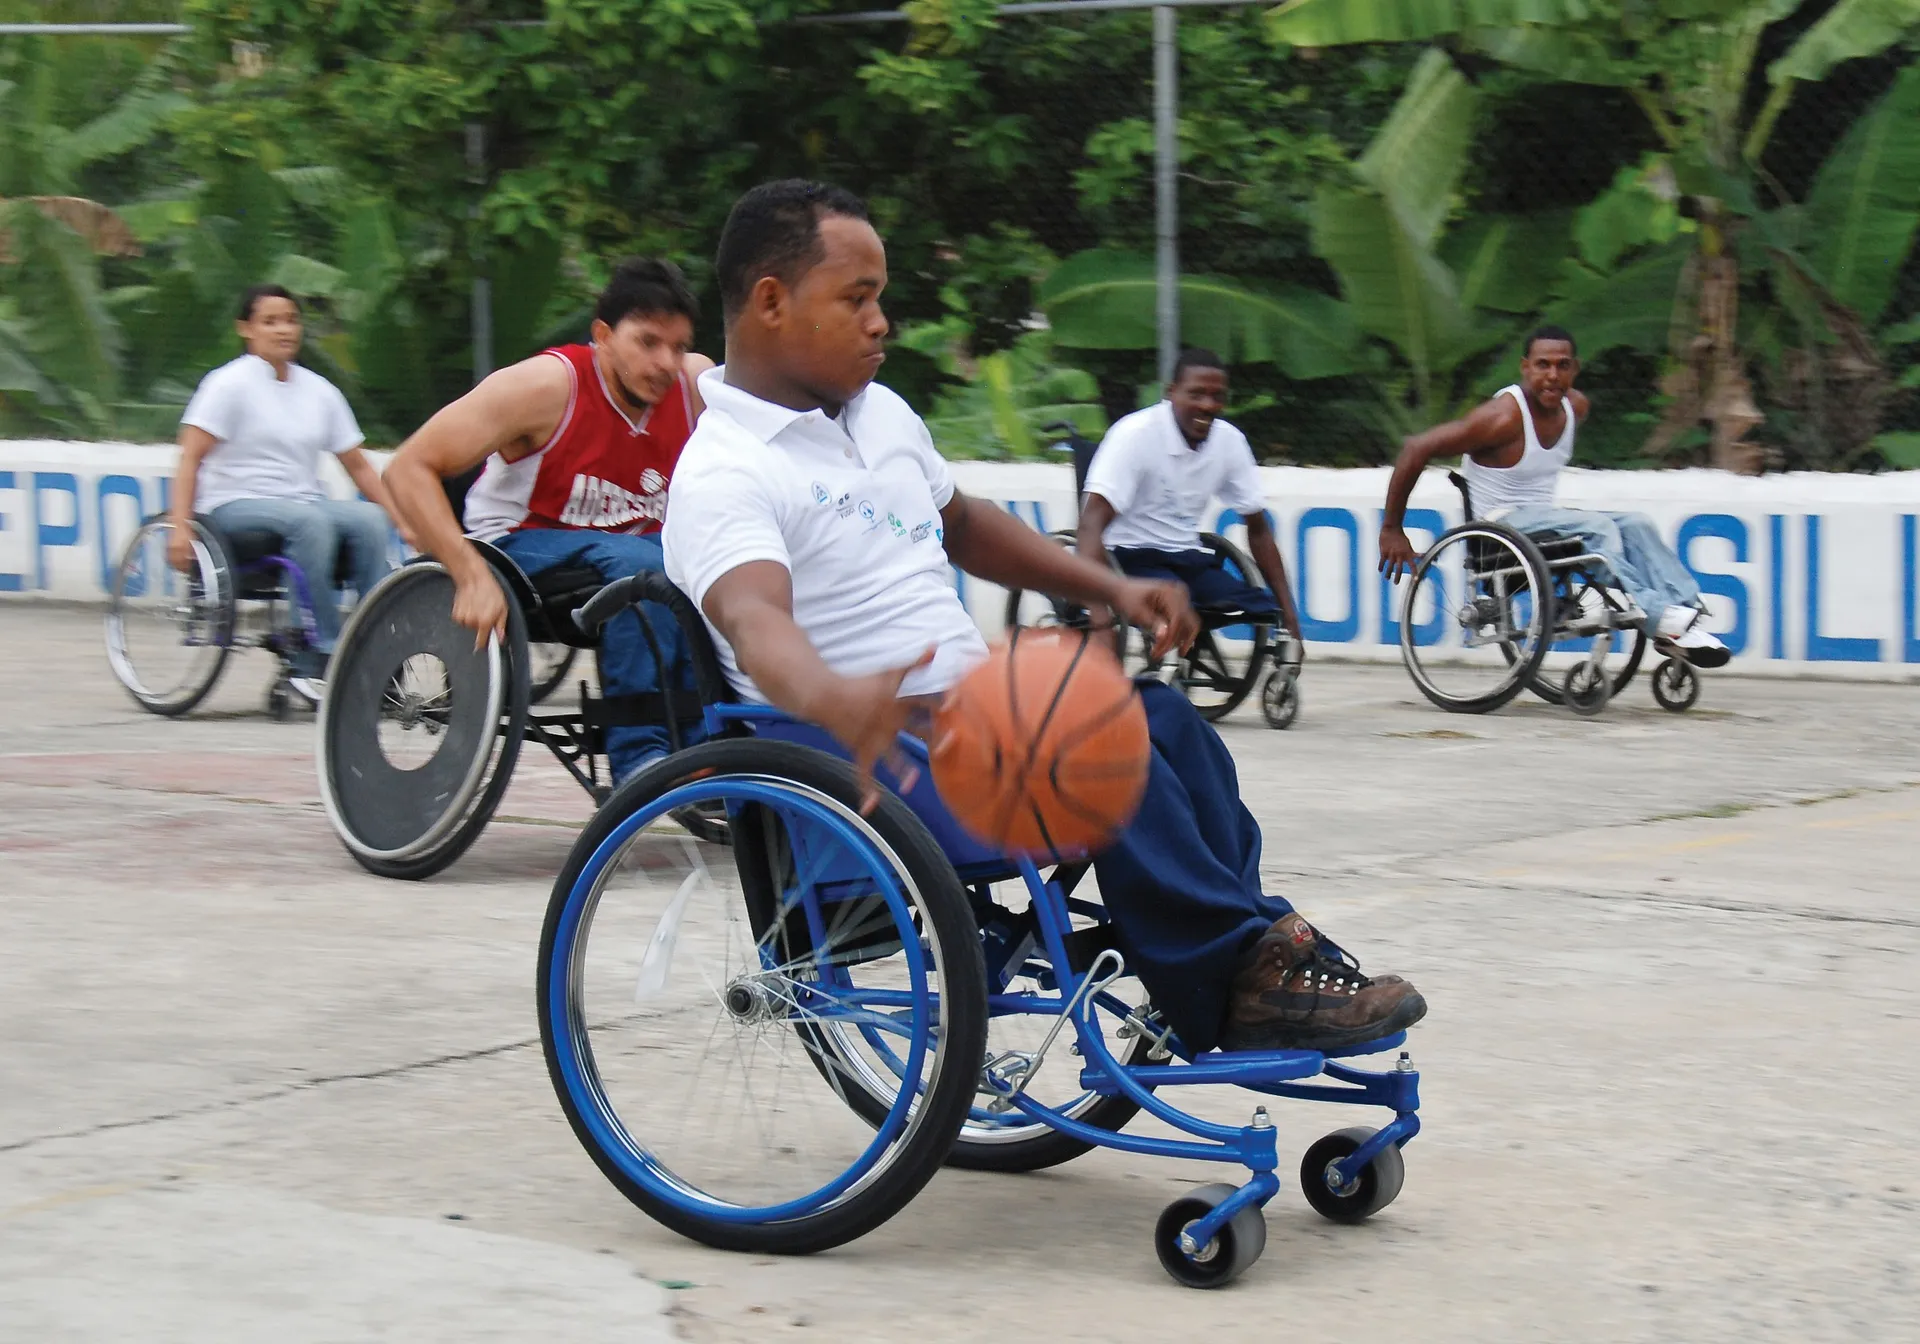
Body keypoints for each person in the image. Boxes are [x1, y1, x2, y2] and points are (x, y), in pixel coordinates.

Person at [660, 179, 1426, 1055]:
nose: (882, 323)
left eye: (882, 298)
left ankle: (1250, 954)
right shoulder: (726, 472)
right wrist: (837, 699)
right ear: (770, 301)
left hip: (964, 724)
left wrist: (1108, 586)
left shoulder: (883, 416)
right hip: (872, 755)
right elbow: (756, 623)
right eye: (858, 298)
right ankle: (1231, 978)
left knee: (1171, 722)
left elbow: (968, 526)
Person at [383, 257, 712, 784]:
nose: (665, 362)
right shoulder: (545, 387)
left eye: (677, 346)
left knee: (709, 563)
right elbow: (407, 468)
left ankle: (710, 746)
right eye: (647, 343)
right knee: (644, 565)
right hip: (518, 546)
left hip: (635, 555)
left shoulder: (697, 386)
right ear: (603, 336)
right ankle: (642, 757)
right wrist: (468, 575)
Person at [1378, 326, 1730, 668]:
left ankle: (1687, 615)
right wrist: (1392, 528)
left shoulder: (1575, 408)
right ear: (1525, 368)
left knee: (1636, 523)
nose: (1552, 375)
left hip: (1544, 524)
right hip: (1499, 528)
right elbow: (1416, 447)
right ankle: (1659, 617)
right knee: (1597, 527)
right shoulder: (1502, 417)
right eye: (1542, 365)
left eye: (1562, 365)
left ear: (1574, 369)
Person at [169, 284, 411, 701]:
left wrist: (402, 521)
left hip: (301, 506)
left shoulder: (319, 391)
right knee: (310, 520)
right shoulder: (227, 384)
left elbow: (356, 465)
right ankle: (317, 656)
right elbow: (190, 458)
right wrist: (179, 527)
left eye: (292, 320)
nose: (284, 329)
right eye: (270, 321)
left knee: (369, 521)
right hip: (233, 508)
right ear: (246, 328)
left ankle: (378, 655)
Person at [1078, 348, 1302, 648]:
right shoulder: (1135, 435)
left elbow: (1258, 529)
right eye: (1196, 394)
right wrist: (1098, 616)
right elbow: (1090, 524)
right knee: (1176, 599)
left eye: (1217, 396)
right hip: (1128, 556)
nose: (1208, 405)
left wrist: (1289, 613)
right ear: (1171, 393)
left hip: (1187, 559)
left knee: (1258, 605)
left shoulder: (1229, 441)